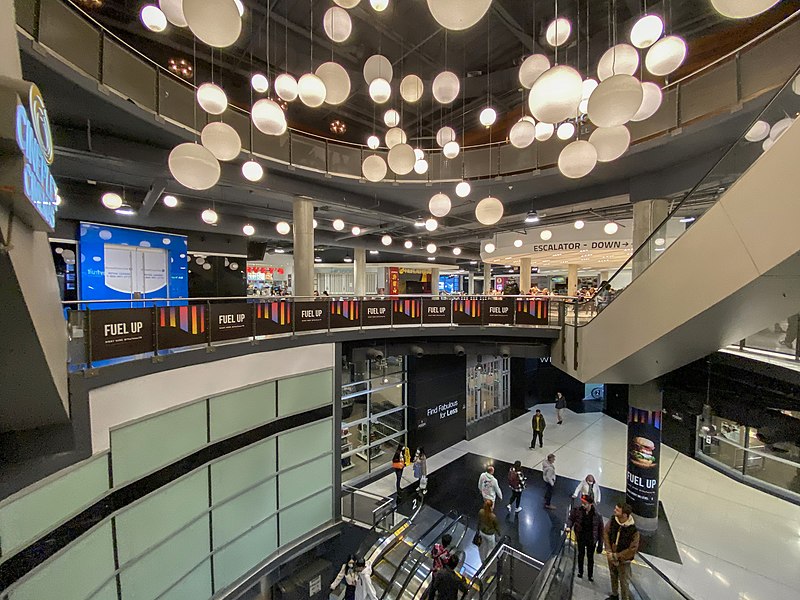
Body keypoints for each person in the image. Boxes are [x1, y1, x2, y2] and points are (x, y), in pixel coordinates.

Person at [603, 503, 640, 600]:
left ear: (624, 515)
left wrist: (616, 556)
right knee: (613, 575)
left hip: (624, 561)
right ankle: (614, 595)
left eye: (617, 510)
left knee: (624, 582)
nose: (614, 511)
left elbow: (632, 549)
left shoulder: (633, 530)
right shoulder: (613, 520)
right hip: (612, 555)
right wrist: (609, 550)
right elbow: (606, 532)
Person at [567, 495, 604, 581]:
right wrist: (569, 526)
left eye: (585, 504)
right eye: (582, 503)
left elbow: (600, 531)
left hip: (591, 539)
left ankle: (590, 575)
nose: (583, 505)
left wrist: (600, 544)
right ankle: (580, 572)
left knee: (590, 557)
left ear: (591, 504)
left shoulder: (597, 516)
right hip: (581, 537)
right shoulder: (577, 511)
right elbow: (571, 519)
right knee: (580, 554)